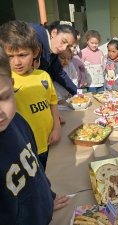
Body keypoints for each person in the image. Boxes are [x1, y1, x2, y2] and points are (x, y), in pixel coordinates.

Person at [0, 46, 69, 225]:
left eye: (4, 97)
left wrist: (49, 199)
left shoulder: (18, 122)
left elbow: (36, 169)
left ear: (12, 85)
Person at [0, 20, 61, 169]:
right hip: (24, 150)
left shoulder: (44, 76)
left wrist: (57, 127)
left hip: (49, 142)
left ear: (35, 52)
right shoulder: (6, 83)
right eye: (10, 56)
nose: (17, 62)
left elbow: (52, 102)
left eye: (22, 54)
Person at [31, 21, 77, 95]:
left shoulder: (54, 50)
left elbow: (58, 72)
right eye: (63, 41)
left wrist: (77, 93)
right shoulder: (36, 35)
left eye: (68, 46)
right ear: (54, 33)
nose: (64, 48)